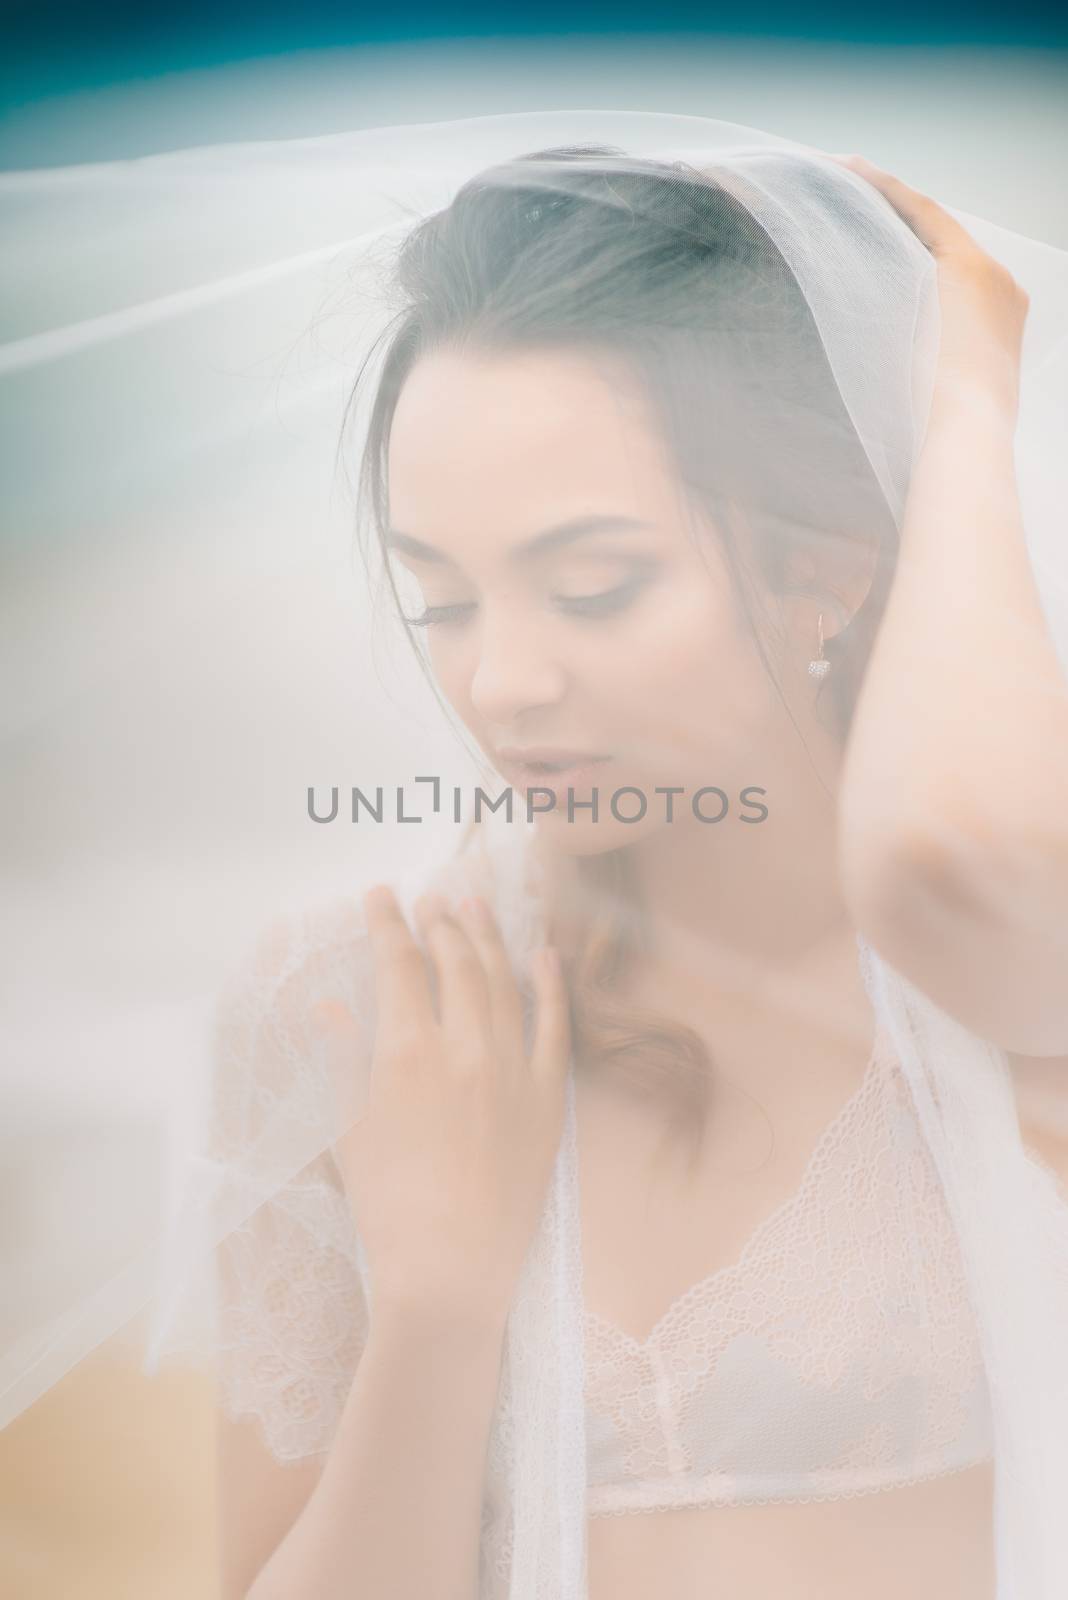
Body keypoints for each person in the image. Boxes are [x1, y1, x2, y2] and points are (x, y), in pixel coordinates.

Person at [198, 143, 1068, 1599]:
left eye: (594, 585)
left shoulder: (987, 985)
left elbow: (959, 851)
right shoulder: (350, 1012)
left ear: (832, 565)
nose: (504, 682)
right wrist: (435, 1307)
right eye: (444, 599)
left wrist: (968, 387)